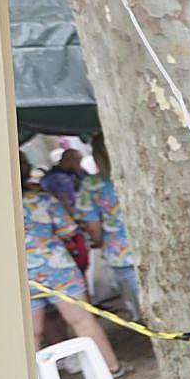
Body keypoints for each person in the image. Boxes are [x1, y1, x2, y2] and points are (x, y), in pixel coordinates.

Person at [21, 167, 123, 376]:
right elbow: (68, 230)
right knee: (83, 320)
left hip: (18, 276)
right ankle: (111, 368)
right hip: (57, 268)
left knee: (29, 336)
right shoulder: (41, 199)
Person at [74, 137, 143, 324]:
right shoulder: (142, 171)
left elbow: (92, 226)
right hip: (157, 244)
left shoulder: (91, 184)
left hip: (121, 252)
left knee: (142, 300)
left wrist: (99, 242)